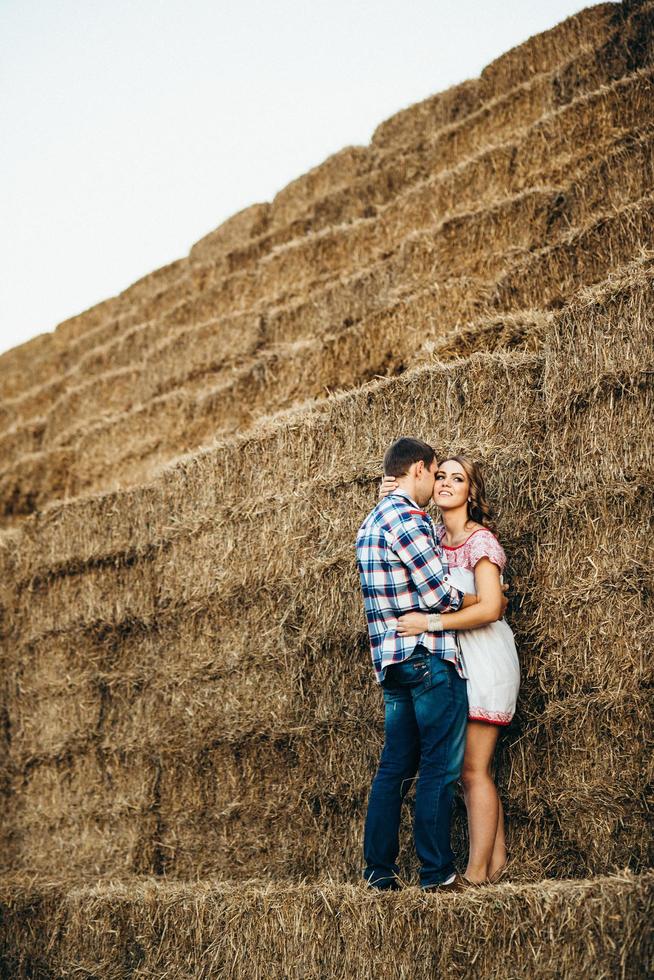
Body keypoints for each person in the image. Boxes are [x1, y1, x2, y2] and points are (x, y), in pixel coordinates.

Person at [356, 437, 507, 891]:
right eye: (437, 472)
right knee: (441, 769)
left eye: (454, 477)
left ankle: (378, 872)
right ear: (419, 469)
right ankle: (437, 874)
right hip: (426, 659)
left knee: (394, 768)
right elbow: (439, 594)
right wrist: (479, 600)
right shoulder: (408, 519)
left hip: (391, 665)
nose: (439, 482)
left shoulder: (372, 521)